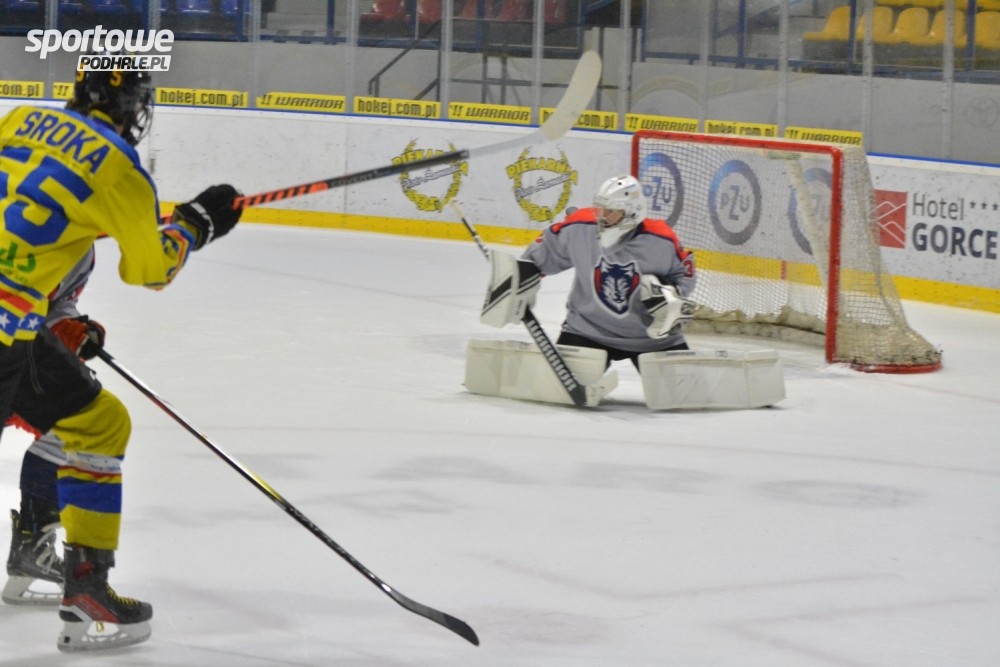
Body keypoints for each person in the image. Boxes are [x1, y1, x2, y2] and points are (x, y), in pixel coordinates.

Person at [1, 59, 242, 651]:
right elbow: (150, 270)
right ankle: (80, 583)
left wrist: (60, 322)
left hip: (20, 326)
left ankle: (83, 586)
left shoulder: (18, 120)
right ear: (133, 108)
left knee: (98, 419)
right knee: (96, 424)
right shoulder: (119, 168)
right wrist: (196, 226)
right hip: (8, 327)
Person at [481, 174, 697, 369]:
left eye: (611, 212)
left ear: (633, 211)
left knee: (686, 392)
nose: (603, 217)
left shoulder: (661, 240)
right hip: (588, 331)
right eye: (601, 209)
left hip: (651, 338)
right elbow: (541, 255)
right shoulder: (580, 227)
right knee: (556, 391)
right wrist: (522, 278)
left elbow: (685, 275)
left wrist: (670, 294)